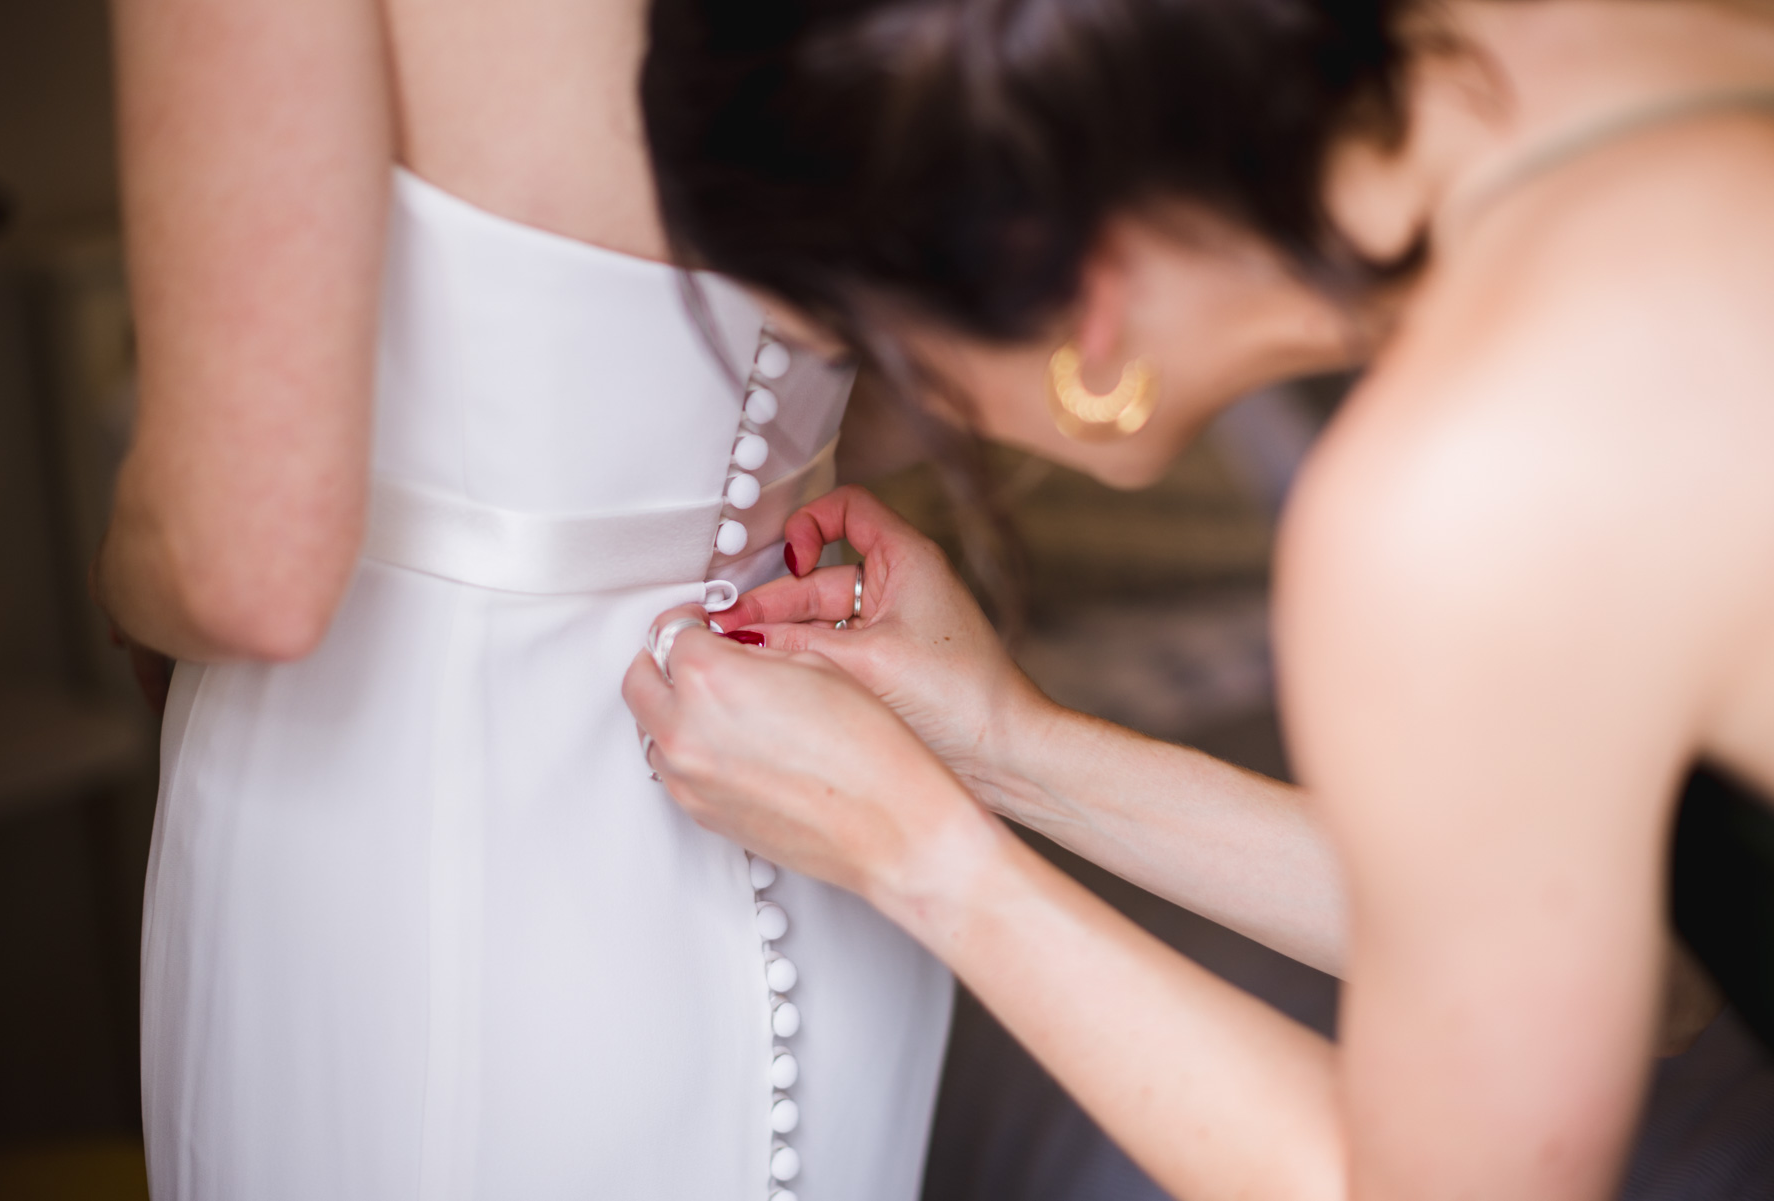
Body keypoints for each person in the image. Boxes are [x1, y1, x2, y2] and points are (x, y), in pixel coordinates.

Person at [623, 0, 1774, 1198]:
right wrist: (1007, 745)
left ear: (1083, 309)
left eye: (892, 362)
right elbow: (1635, 954)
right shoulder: (1596, 54)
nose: (927, 421)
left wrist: (921, 856)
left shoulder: (1451, 492)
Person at [93, 1, 951, 1197]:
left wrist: (130, 574)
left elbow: (241, 573)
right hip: (834, 813)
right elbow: (942, 374)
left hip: (421, 855)